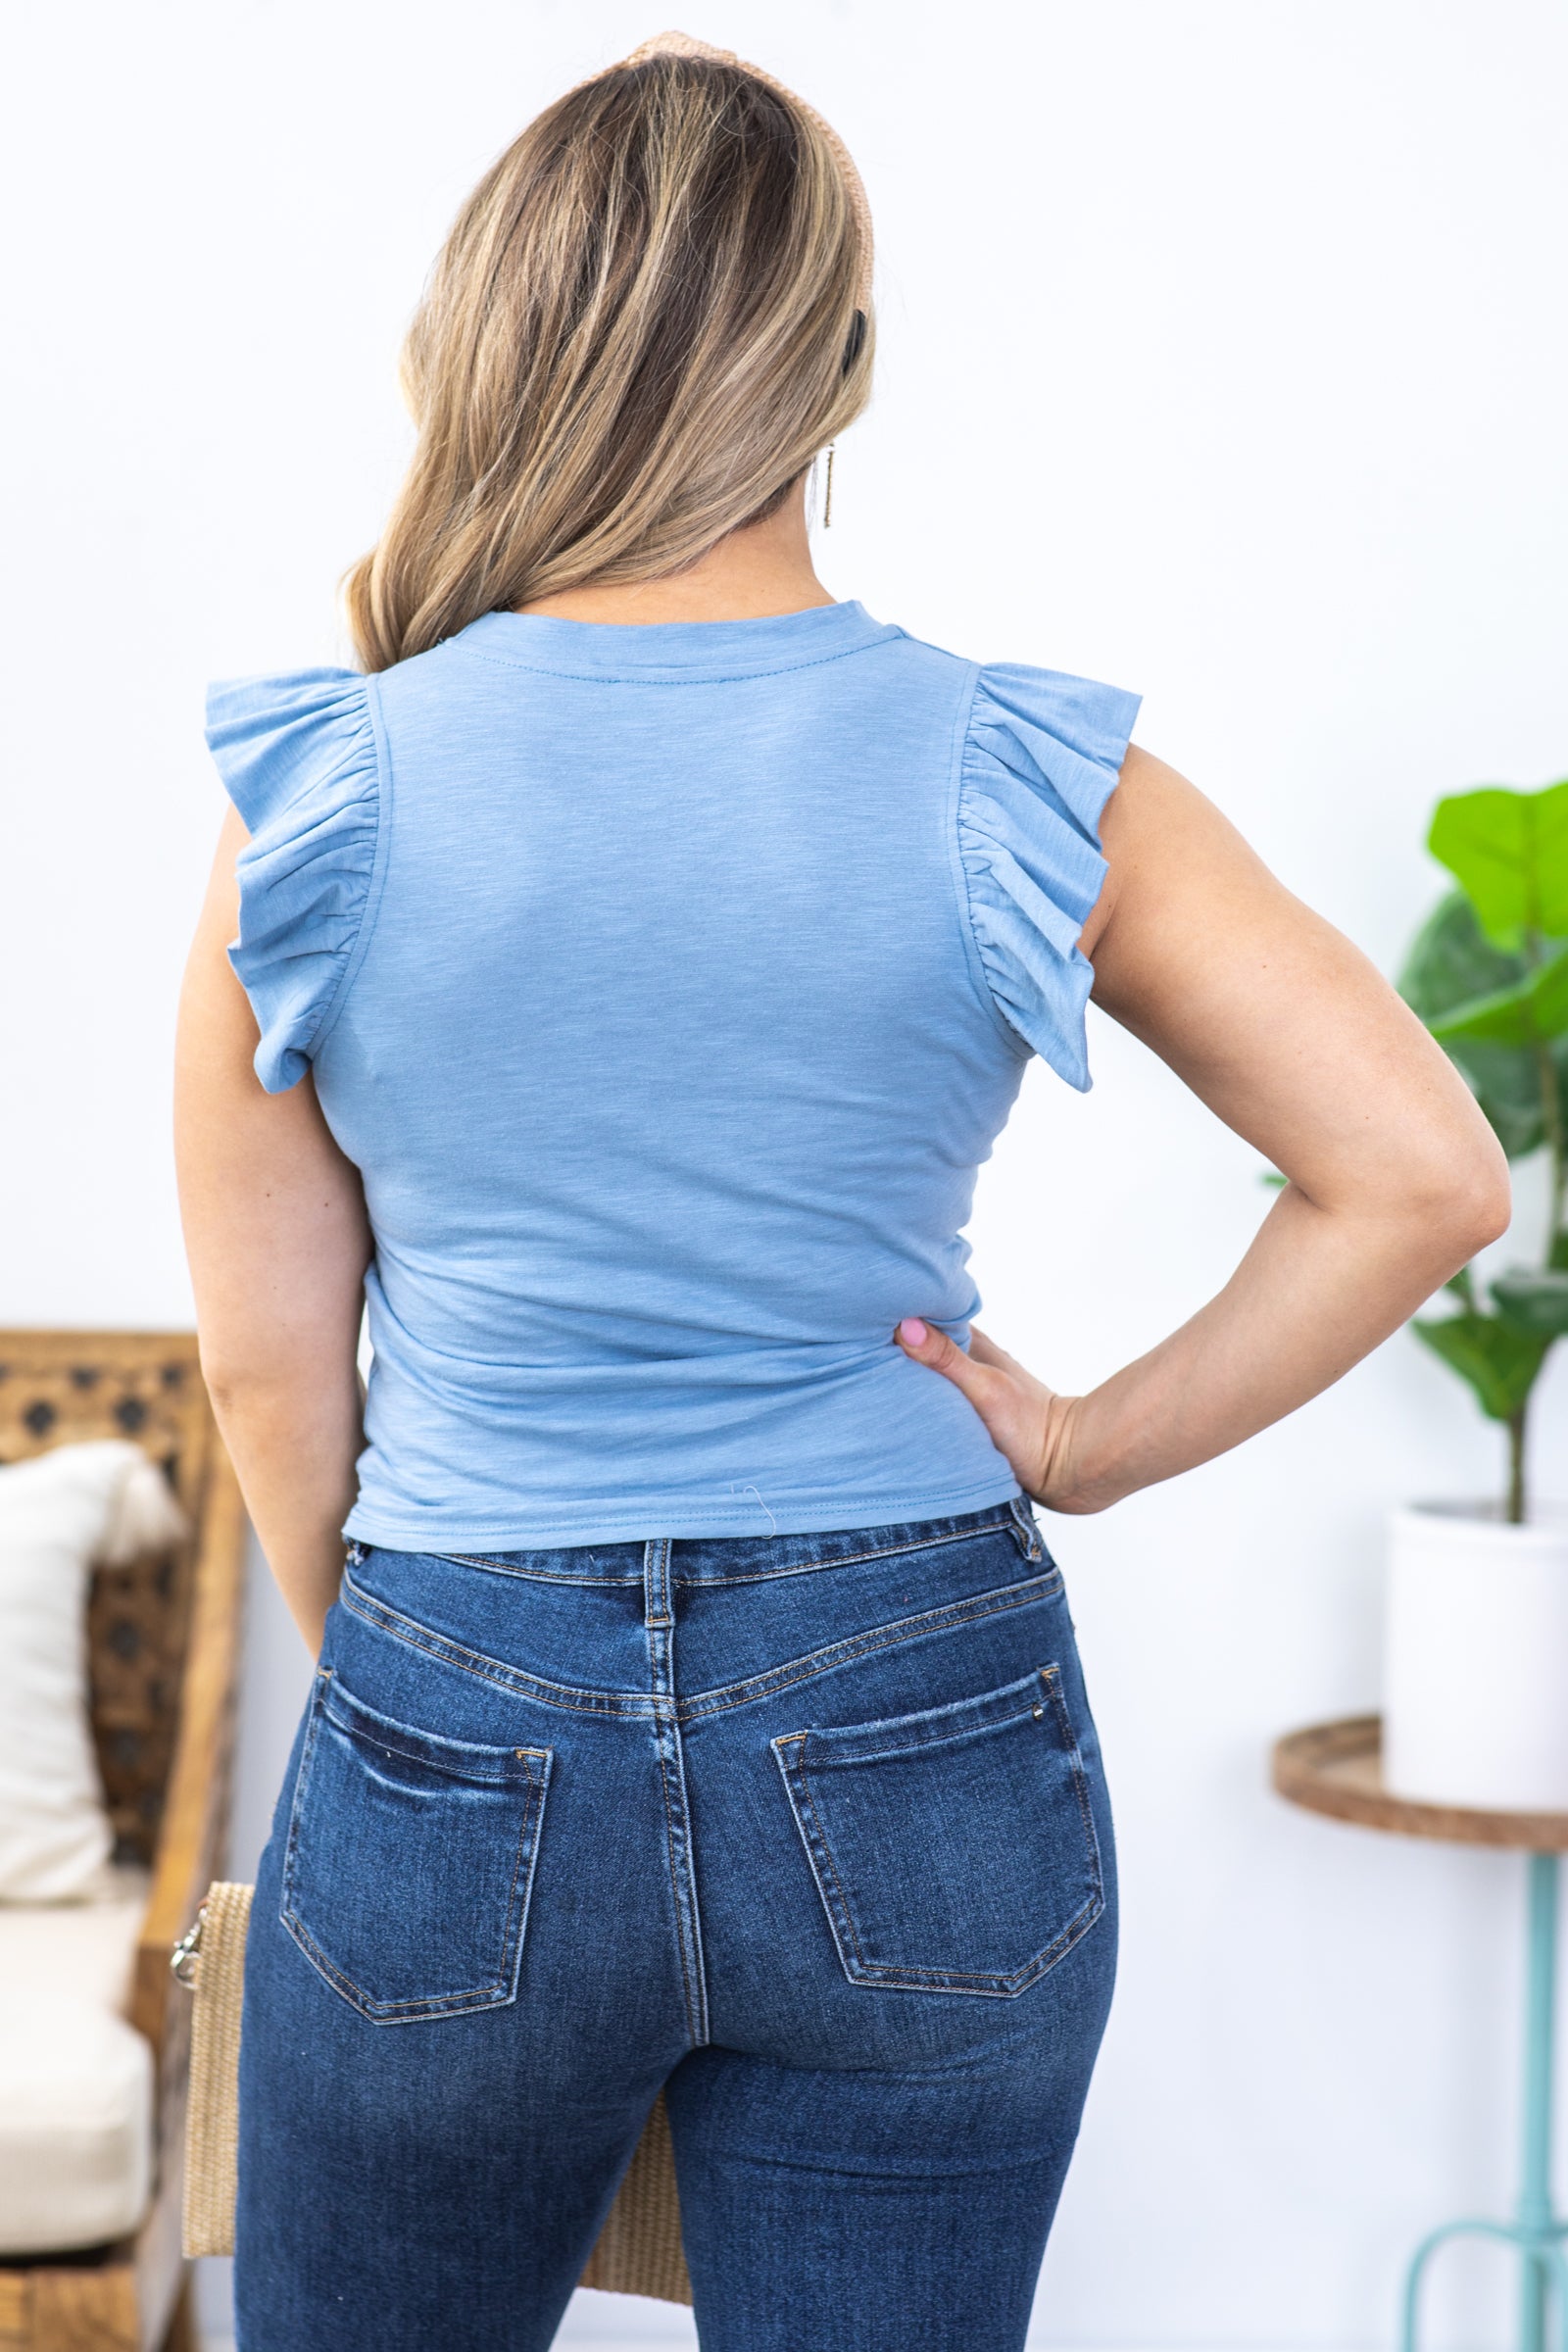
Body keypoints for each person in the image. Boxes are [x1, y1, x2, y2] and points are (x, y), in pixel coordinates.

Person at [173, 35, 1508, 2352]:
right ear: (840, 374)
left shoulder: (327, 785)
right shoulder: (1020, 768)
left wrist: (429, 1671)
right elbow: (1412, 1176)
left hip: (454, 1694)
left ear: (485, 331)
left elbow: (270, 1363)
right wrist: (1080, 1444)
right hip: (918, 1705)